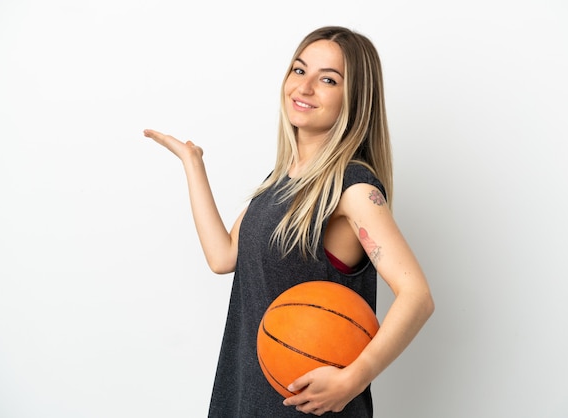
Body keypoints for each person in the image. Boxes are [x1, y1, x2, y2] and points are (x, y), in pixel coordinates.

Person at [143, 25, 434, 417]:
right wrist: (194, 166)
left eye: (327, 79)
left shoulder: (353, 189)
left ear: (355, 98)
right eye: (299, 71)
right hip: (247, 393)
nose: (305, 87)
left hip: (307, 407)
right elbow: (223, 256)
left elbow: (417, 296)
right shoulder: (280, 181)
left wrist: (354, 379)